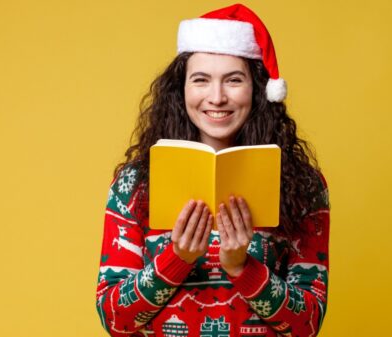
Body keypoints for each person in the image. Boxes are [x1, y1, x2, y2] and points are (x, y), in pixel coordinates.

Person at [95, 4, 330, 337]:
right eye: (201, 80)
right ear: (181, 90)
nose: (216, 97)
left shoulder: (303, 186)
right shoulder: (135, 184)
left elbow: (306, 325)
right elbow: (115, 320)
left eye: (233, 80)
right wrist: (177, 259)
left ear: (258, 89)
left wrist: (241, 267)